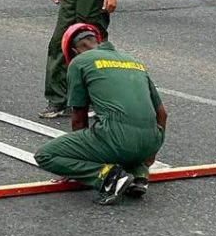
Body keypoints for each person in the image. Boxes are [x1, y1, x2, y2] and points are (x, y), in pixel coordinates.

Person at [34, 23, 167, 205]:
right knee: (125, 142)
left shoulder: (80, 62)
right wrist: (151, 151)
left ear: (73, 51)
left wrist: (77, 164)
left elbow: (79, 119)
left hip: (118, 141)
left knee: (44, 155)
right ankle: (139, 175)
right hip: (150, 142)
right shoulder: (134, 62)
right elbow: (162, 114)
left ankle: (110, 178)